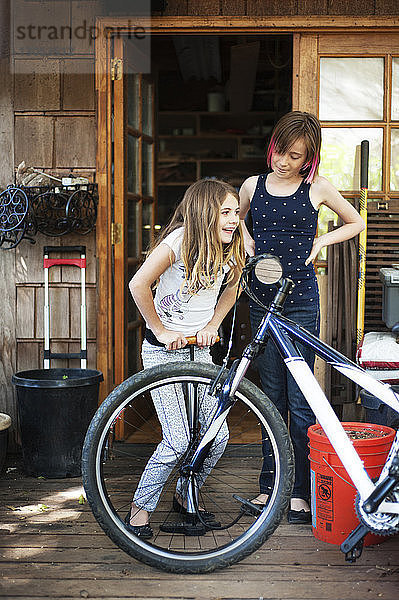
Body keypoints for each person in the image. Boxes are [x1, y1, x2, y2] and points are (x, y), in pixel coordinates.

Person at [239, 111, 365, 524]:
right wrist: (248, 239)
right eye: (281, 151)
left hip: (302, 302)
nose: (284, 162)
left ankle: (300, 492)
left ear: (308, 158)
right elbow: (236, 222)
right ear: (272, 145)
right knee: (269, 396)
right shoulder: (252, 186)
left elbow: (356, 222)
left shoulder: (316, 188)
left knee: (301, 398)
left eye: (295, 156)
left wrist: (320, 241)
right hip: (262, 300)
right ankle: (269, 486)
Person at [127, 178, 245, 538]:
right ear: (203, 212)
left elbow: (235, 283)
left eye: (236, 212)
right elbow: (137, 284)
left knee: (217, 435)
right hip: (163, 353)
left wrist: (213, 323)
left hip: (201, 351)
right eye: (225, 212)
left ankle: (184, 493)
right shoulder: (178, 242)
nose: (233, 219)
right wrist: (161, 330)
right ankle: (139, 511)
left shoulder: (231, 246)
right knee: (178, 438)